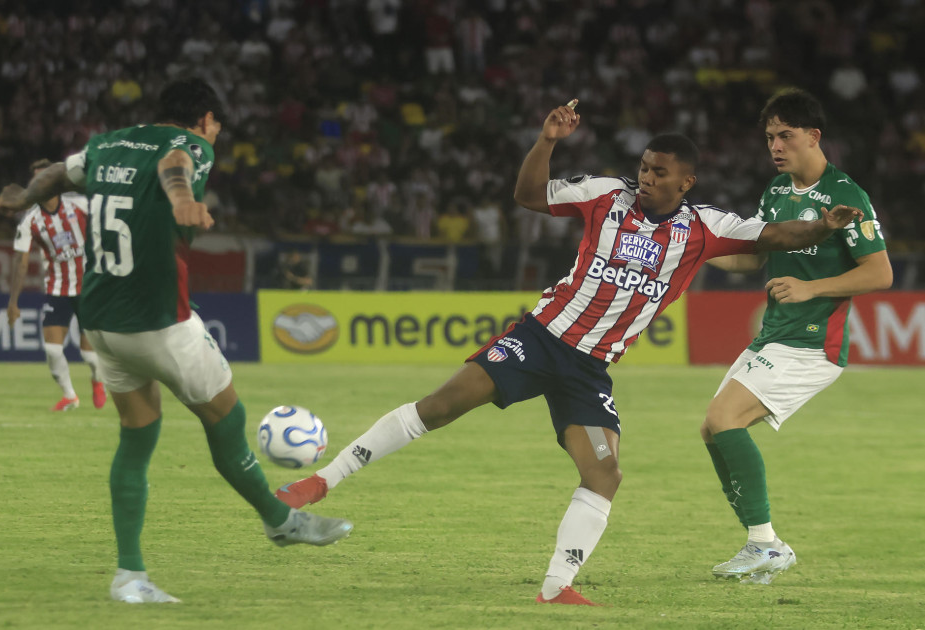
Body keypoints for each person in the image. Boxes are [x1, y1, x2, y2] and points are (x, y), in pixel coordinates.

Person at [272, 98, 863, 606]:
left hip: (589, 370)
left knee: (604, 473)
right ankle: (317, 485)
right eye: (644, 168)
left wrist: (827, 226)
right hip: (538, 339)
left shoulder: (705, 228)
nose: (647, 178)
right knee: (443, 405)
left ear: (686, 183)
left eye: (659, 172)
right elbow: (529, 194)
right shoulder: (604, 195)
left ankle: (557, 586)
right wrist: (546, 142)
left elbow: (778, 235)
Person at [0, 78, 353, 604]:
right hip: (160, 321)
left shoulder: (108, 144)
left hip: (101, 321)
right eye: (217, 128)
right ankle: (280, 521)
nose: (215, 138)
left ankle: (129, 576)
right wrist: (182, 199)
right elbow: (175, 166)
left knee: (136, 441)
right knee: (227, 420)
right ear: (205, 118)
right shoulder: (190, 144)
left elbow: (56, 173)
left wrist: (23, 196)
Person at [702, 88, 892, 584]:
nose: (776, 145)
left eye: (785, 135)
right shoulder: (776, 193)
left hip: (814, 344)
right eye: (769, 137)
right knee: (712, 429)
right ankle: (762, 543)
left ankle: (766, 545)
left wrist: (812, 288)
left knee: (724, 418)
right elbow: (750, 258)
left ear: (814, 136)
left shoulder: (846, 194)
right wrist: (694, 248)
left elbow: (879, 273)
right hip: (773, 336)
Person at [8, 158, 105, 411]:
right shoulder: (30, 221)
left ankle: (97, 380)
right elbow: (20, 261)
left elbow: (107, 224)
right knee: (52, 350)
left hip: (88, 287)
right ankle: (70, 396)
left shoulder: (80, 204)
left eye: (45, 178)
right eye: (36, 180)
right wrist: (13, 302)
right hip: (57, 289)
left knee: (89, 356)